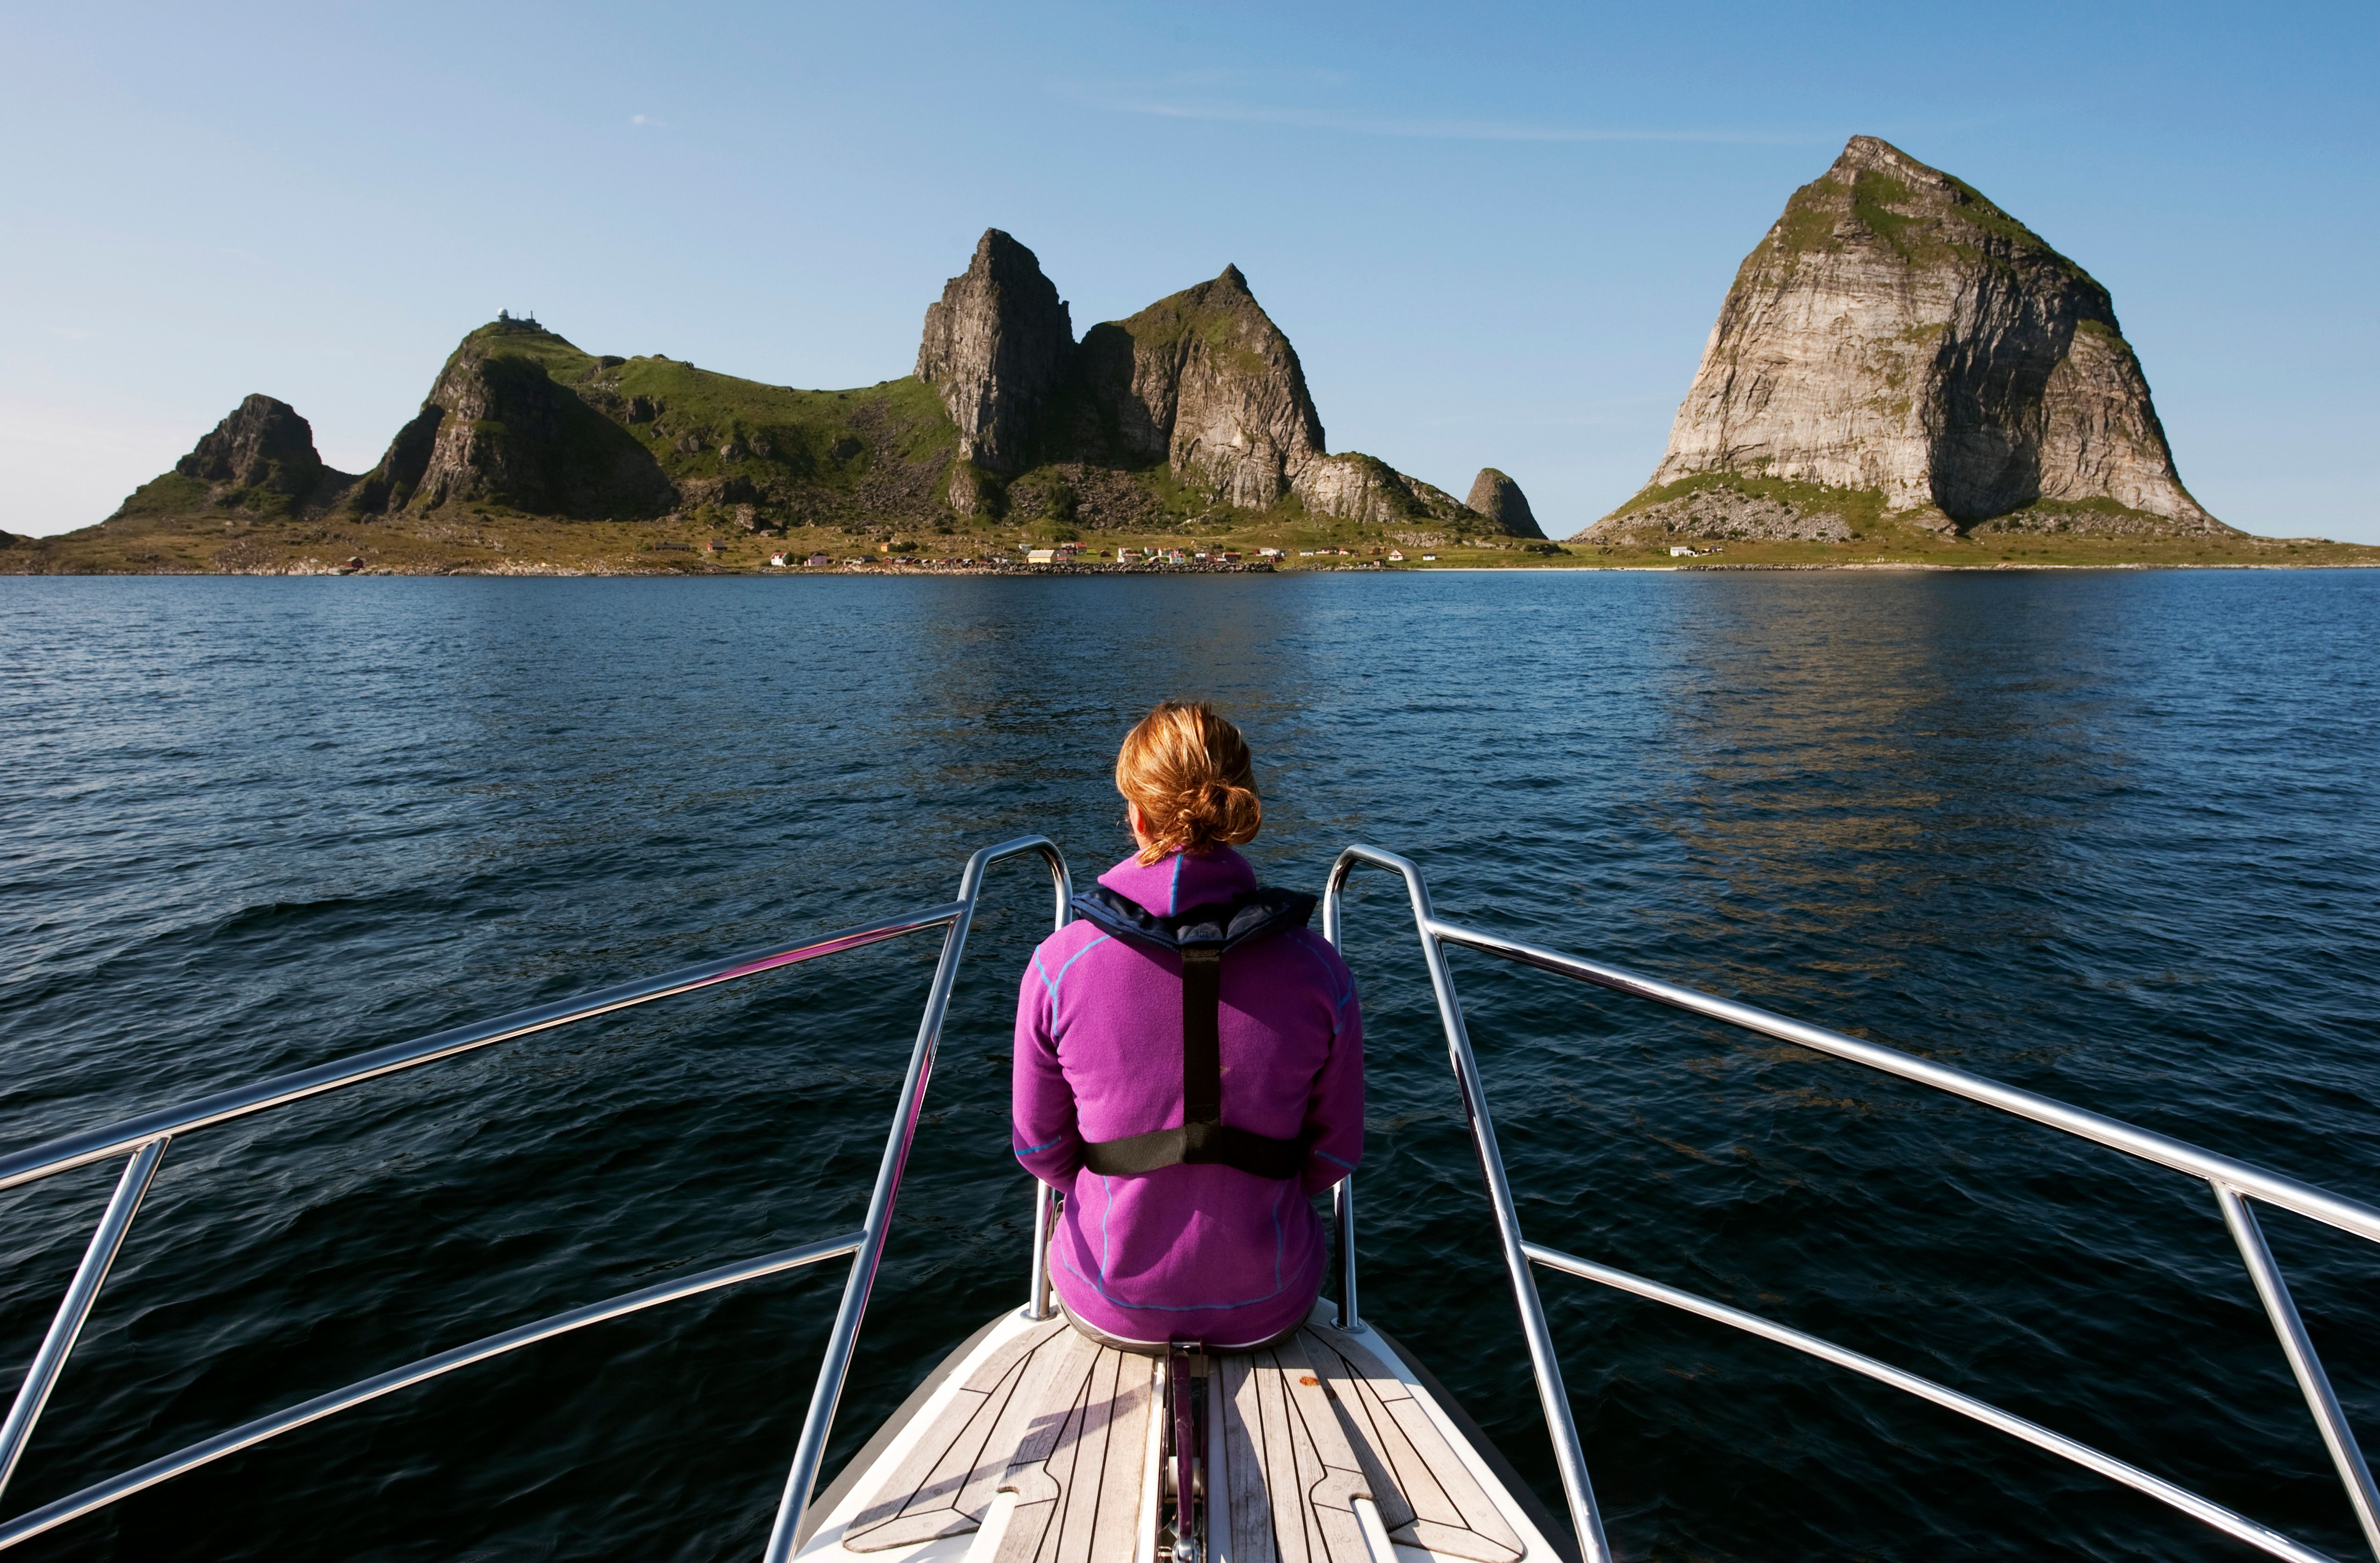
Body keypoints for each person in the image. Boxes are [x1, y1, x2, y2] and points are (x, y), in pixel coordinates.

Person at [1012, 701, 1364, 1352]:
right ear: (1239, 810)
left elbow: (1039, 1150)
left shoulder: (1059, 966)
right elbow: (1335, 1156)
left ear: (1137, 816)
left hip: (1108, 1295)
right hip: (1271, 1297)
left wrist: (1127, 1191)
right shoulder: (1320, 970)